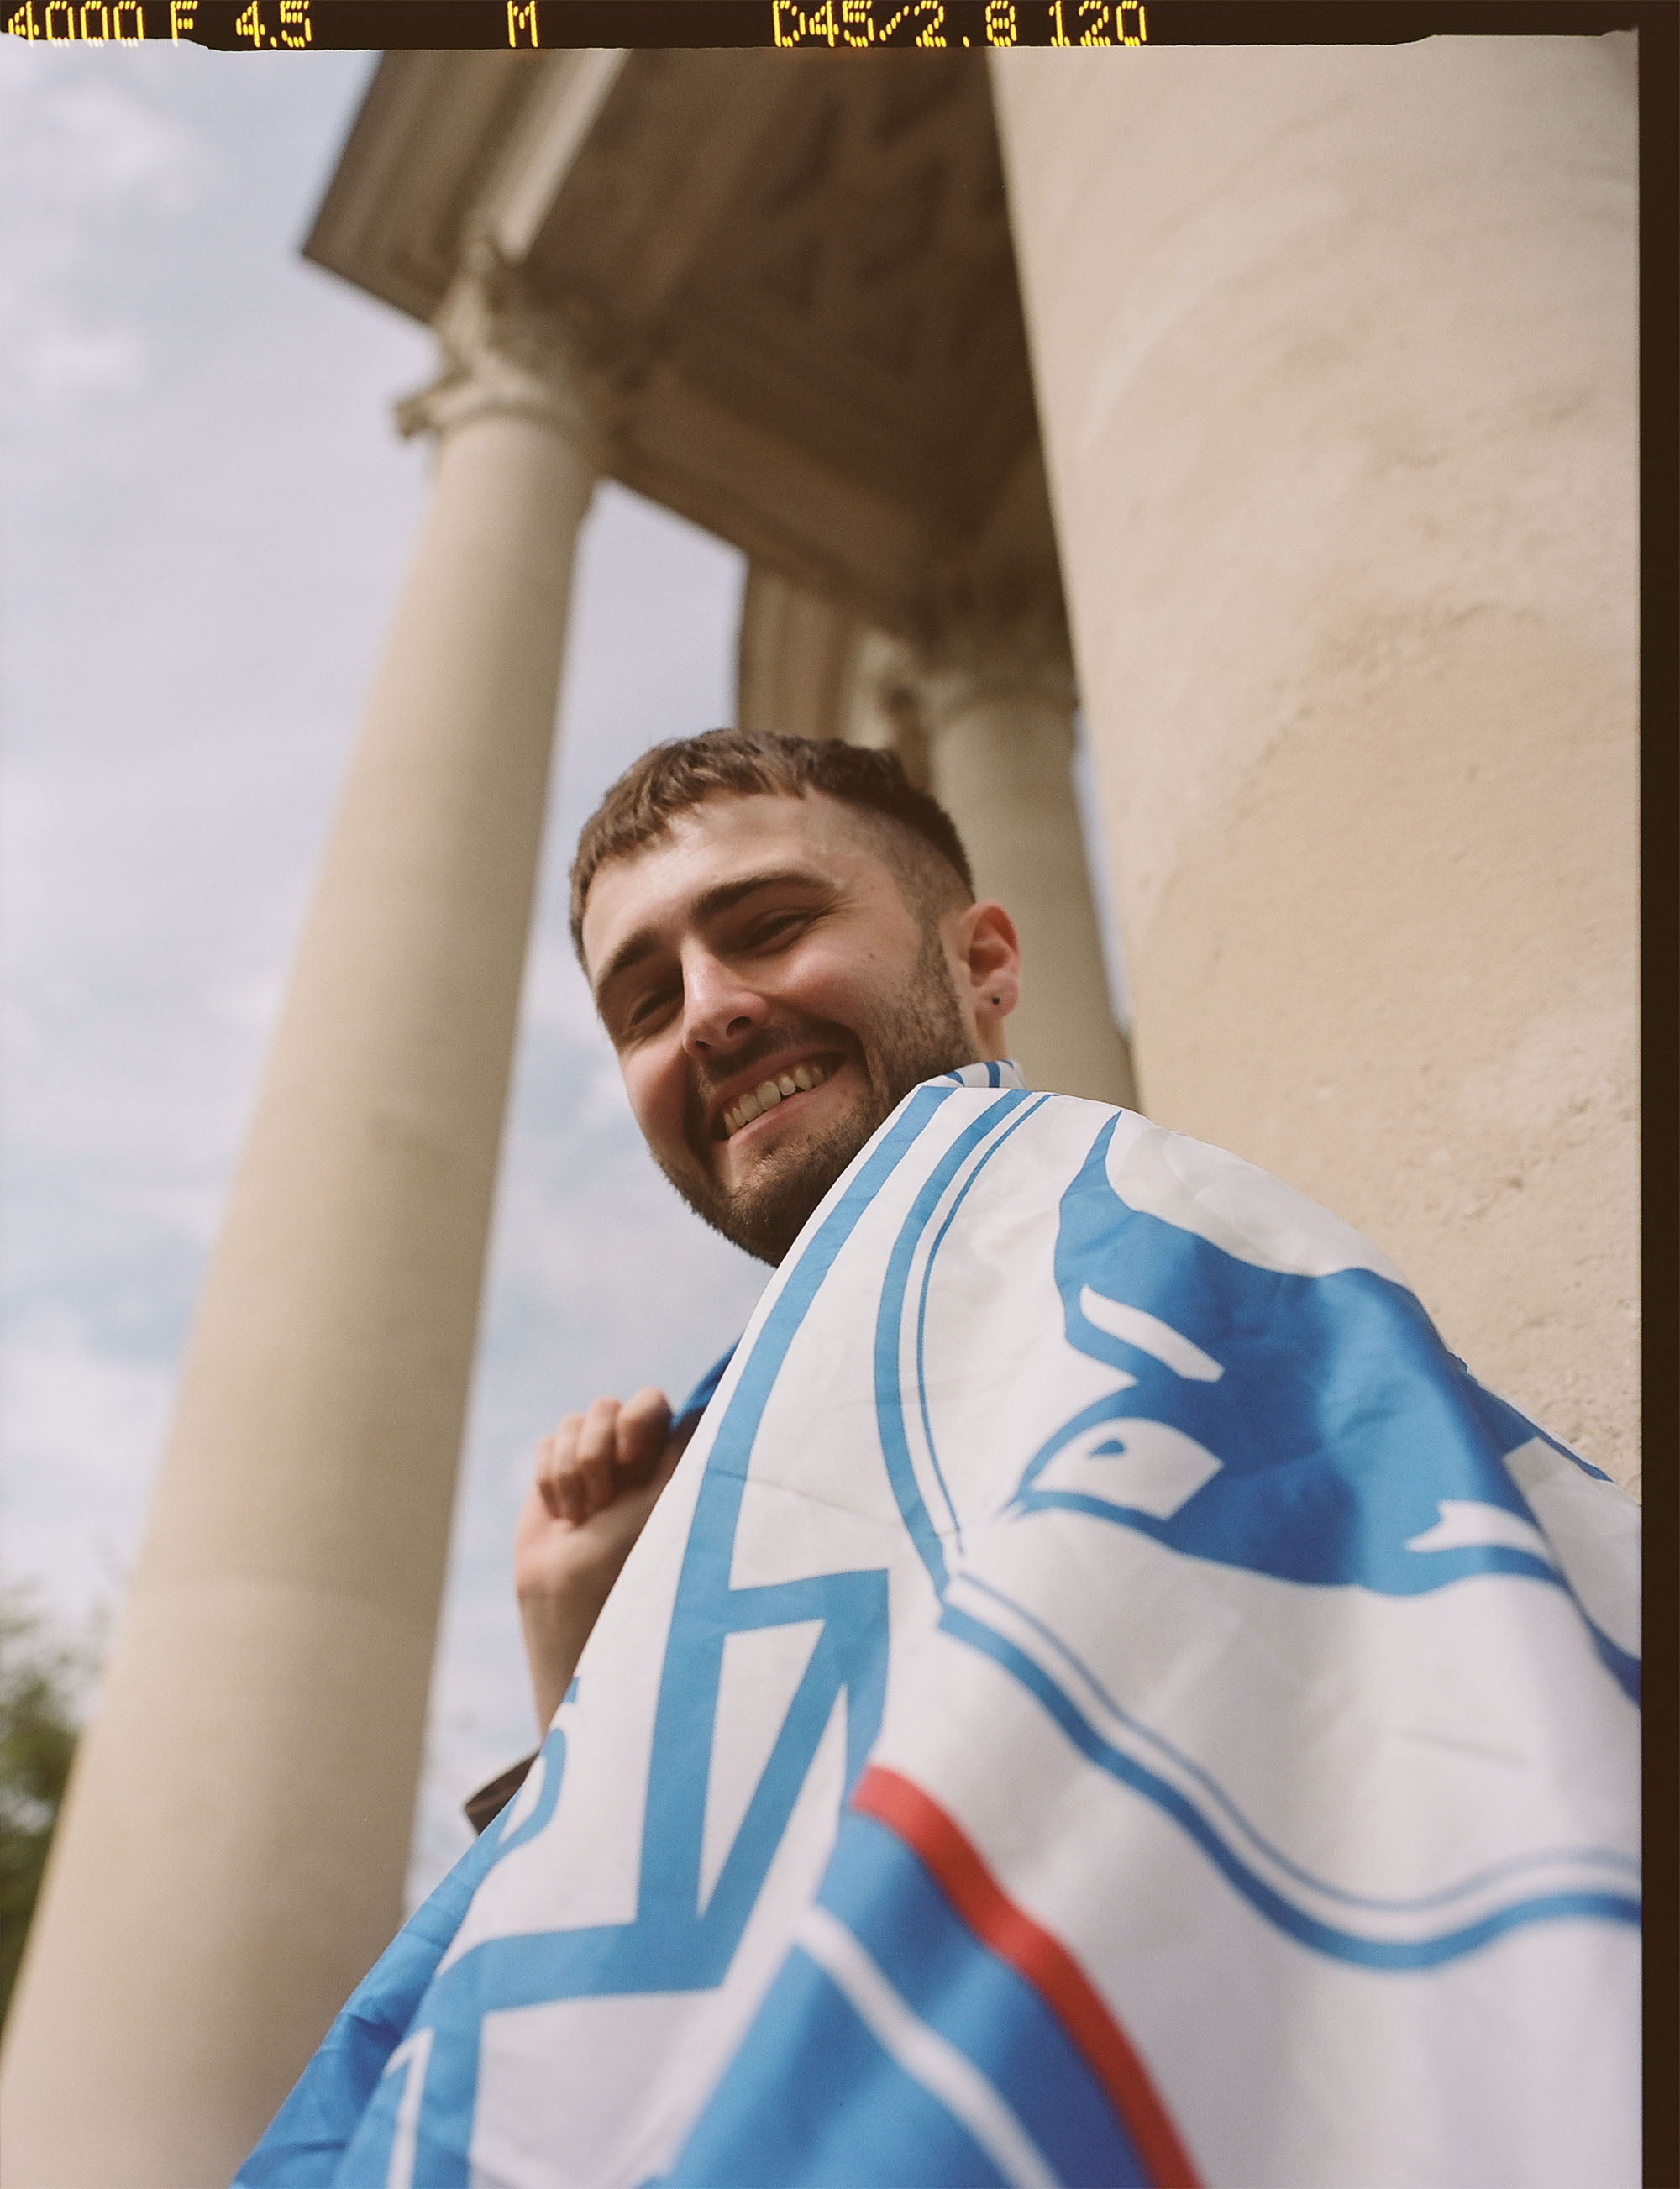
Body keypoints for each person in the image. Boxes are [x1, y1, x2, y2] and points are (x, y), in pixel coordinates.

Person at [241, 729, 1639, 2189]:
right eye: (645, 1001)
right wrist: (583, 1646)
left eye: (768, 925)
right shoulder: (728, 1459)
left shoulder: (1160, 1236)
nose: (710, 1011)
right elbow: (627, 2016)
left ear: (983, 962)